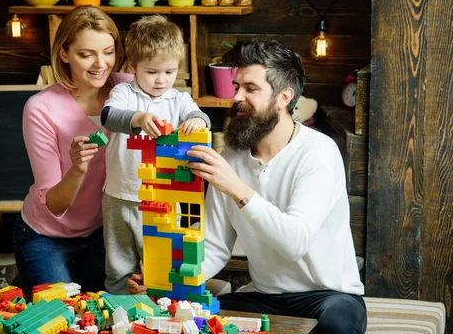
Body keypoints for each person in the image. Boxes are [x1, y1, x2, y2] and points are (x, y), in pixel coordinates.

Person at [128, 39, 366, 334]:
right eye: (236, 86)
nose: (237, 96)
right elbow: (214, 246)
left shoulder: (318, 152)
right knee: (198, 319)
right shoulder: (232, 158)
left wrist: (237, 188)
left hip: (328, 296)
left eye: (250, 89)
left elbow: (295, 243)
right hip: (263, 297)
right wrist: (164, 280)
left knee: (337, 328)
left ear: (283, 97)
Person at [13, 6, 132, 293]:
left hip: (104, 234)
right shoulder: (41, 108)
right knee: (59, 316)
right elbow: (54, 205)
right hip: (47, 236)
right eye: (86, 54)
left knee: (106, 313)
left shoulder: (129, 90)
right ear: (64, 54)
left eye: (108, 51)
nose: (101, 63)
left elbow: (174, 104)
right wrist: (78, 168)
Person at [101, 15, 211, 294]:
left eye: (170, 72)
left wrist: (198, 121)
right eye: (152, 72)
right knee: (118, 264)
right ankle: (117, 301)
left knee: (163, 261)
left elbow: (199, 116)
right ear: (132, 65)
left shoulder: (180, 99)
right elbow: (108, 116)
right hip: (120, 194)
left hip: (164, 199)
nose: (161, 80)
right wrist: (138, 118)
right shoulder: (124, 92)